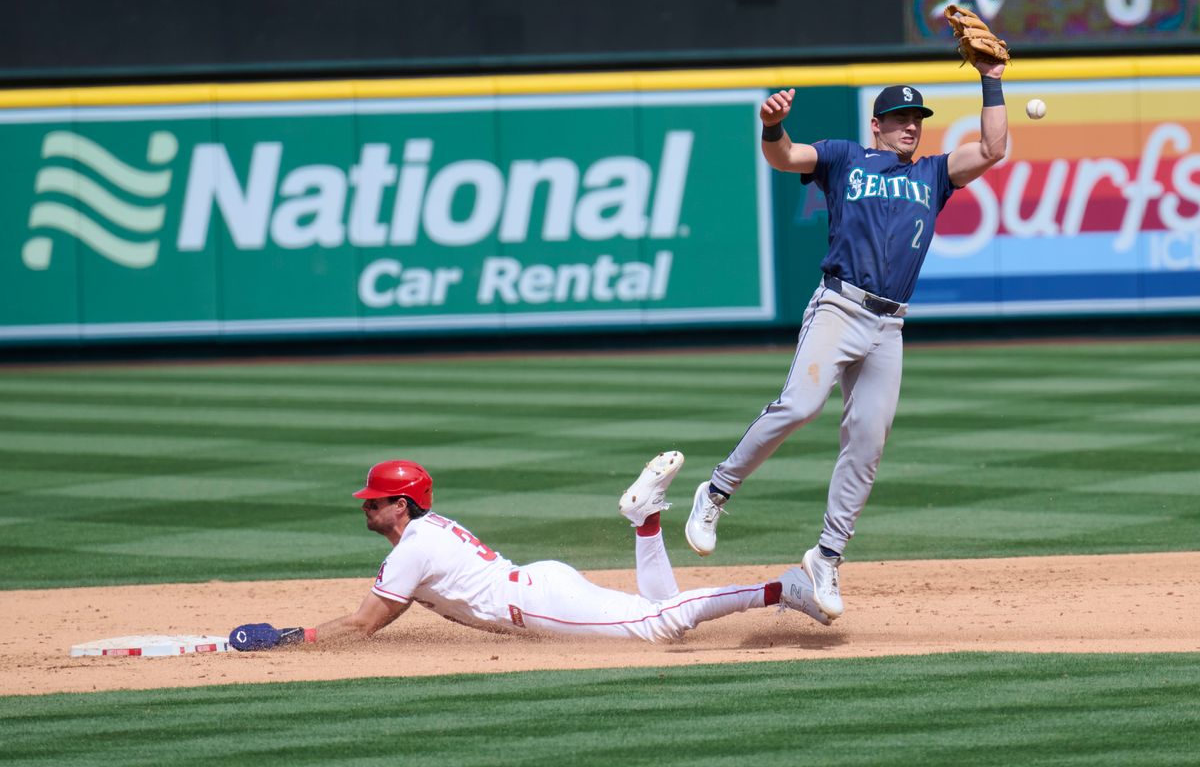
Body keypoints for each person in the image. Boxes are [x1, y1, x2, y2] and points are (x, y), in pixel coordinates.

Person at [685, 59, 1009, 622]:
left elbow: (993, 148)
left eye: (917, 117)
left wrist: (992, 79)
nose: (911, 125)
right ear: (876, 125)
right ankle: (714, 492)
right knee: (800, 404)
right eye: (899, 117)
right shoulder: (845, 157)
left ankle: (826, 557)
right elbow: (785, 157)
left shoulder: (932, 173)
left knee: (868, 440)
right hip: (839, 305)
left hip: (891, 326)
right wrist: (771, 126)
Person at [229, 451, 830, 651]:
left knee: (662, 625)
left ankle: (782, 588)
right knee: (660, 605)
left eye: (375, 501)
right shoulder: (426, 533)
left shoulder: (413, 545)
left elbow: (364, 625)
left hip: (538, 604)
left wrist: (289, 639)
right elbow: (390, 613)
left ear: (402, 506)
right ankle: (645, 520)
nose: (366, 507)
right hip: (540, 585)